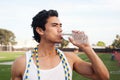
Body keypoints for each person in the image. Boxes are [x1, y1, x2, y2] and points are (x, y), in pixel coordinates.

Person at [11, 9, 109, 80]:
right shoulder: (22, 63)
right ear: (40, 30)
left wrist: (87, 48)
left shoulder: (70, 58)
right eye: (54, 25)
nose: (60, 29)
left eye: (60, 25)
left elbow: (103, 77)